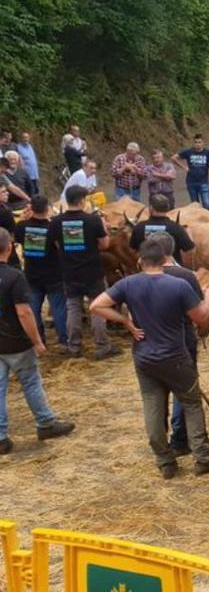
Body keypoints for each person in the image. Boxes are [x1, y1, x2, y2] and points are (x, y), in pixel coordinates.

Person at [90, 238, 209, 479]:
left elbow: (96, 306)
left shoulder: (127, 284)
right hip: (176, 357)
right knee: (191, 404)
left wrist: (125, 321)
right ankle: (202, 458)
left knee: (153, 406)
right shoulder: (178, 285)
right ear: (165, 260)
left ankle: (165, 461)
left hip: (144, 358)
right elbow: (201, 317)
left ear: (140, 261)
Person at [0, 227, 75, 455]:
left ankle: (1, 437)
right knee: (31, 382)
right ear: (11, 247)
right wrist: (37, 341)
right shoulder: (14, 276)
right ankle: (46, 423)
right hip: (16, 342)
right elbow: (25, 312)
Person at [145, 231, 201, 457]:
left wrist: (129, 326)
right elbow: (199, 315)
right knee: (185, 392)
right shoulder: (185, 276)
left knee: (155, 398)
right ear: (172, 249)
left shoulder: (137, 278)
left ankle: (161, 450)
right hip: (181, 340)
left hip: (148, 343)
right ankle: (180, 440)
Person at [53, 186, 118, 359]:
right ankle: (102, 346)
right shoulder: (93, 220)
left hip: (69, 272)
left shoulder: (56, 221)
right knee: (97, 307)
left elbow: (57, 245)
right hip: (93, 272)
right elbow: (104, 245)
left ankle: (73, 347)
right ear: (82, 200)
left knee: (73, 308)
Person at [15, 196, 68, 348]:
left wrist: (25, 219)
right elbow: (61, 248)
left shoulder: (22, 226)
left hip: (31, 274)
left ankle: (38, 340)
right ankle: (64, 341)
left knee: (34, 309)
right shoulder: (54, 227)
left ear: (31, 208)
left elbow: (17, 241)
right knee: (58, 309)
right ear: (48, 208)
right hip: (54, 274)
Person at [130, 193, 195, 266]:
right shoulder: (176, 228)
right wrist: (189, 234)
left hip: (147, 269)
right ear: (167, 208)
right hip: (172, 271)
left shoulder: (139, 227)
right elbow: (189, 249)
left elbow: (132, 249)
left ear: (151, 208)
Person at [173, 134, 209, 210]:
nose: (198, 144)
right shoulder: (188, 152)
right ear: (193, 143)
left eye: (199, 142)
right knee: (195, 205)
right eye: (196, 142)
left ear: (203, 143)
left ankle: (208, 219)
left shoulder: (208, 153)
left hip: (204, 182)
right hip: (191, 182)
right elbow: (174, 158)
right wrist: (184, 167)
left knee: (207, 204)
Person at [15, 132, 40, 196]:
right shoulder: (18, 147)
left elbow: (33, 160)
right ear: (21, 138)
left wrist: (36, 174)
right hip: (27, 174)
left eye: (27, 137)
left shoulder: (30, 146)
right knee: (31, 191)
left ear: (29, 138)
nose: (25, 139)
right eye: (24, 137)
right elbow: (18, 161)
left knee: (36, 190)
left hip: (34, 173)